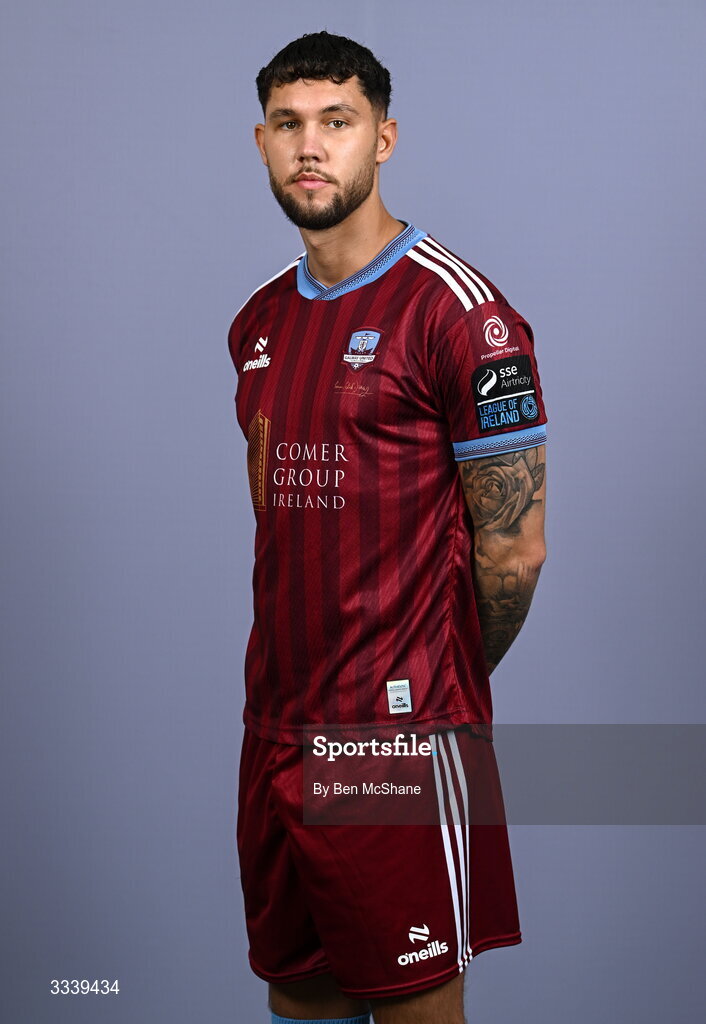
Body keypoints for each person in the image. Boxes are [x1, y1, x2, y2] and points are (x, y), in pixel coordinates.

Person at [227, 30, 547, 1024]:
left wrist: (432, 684)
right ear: (261, 140)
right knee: (299, 998)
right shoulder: (260, 322)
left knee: (414, 1007)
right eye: (289, 124)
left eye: (337, 121)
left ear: (385, 137)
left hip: (395, 745)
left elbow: (513, 546)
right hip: (277, 730)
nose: (310, 147)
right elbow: (272, 503)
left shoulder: (462, 315)